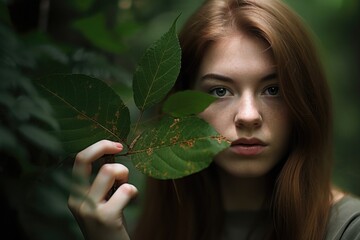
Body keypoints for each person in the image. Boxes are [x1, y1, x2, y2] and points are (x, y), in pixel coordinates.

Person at [67, 0, 360, 239]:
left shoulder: (348, 229)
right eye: (220, 91)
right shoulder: (145, 227)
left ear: (305, 101)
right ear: (181, 107)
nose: (248, 116)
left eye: (274, 89)